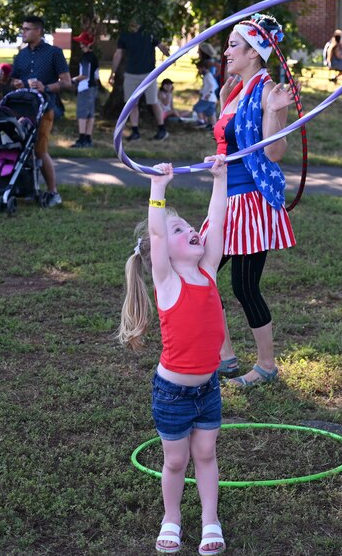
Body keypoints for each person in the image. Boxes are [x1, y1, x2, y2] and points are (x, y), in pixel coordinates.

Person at [117, 155, 229, 555]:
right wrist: (158, 188)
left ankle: (210, 521)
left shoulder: (209, 271)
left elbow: (217, 219)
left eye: (191, 227)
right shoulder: (168, 281)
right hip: (172, 394)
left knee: (206, 454)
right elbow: (158, 235)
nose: (193, 231)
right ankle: (173, 518)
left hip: (208, 388)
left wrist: (221, 178)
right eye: (182, 230)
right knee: (177, 462)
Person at [204, 13, 296, 387]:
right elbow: (227, 140)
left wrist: (275, 113)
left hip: (250, 202)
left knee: (244, 286)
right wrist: (223, 102)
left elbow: (275, 152)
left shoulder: (268, 90)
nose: (226, 51)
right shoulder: (235, 89)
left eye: (233, 45)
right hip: (224, 198)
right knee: (202, 272)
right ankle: (224, 357)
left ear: (255, 52)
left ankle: (266, 366)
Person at [10, 15, 71, 207]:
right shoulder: (21, 55)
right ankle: (24, 188)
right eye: (23, 28)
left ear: (38, 31)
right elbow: (14, 80)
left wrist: (44, 87)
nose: (23, 32)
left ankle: (53, 192)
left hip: (44, 108)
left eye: (27, 29)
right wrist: (17, 83)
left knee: (40, 149)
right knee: (20, 149)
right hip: (22, 110)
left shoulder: (54, 53)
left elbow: (66, 82)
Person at [109, 21, 170, 141]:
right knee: (132, 104)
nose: (134, 22)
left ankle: (162, 129)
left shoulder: (149, 33)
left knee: (153, 101)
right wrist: (113, 73)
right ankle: (135, 131)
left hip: (149, 74)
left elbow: (161, 46)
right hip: (131, 74)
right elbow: (118, 54)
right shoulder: (124, 35)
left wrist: (170, 55)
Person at [70, 31, 100, 147]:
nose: (80, 45)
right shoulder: (94, 57)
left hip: (85, 88)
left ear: (86, 44)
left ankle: (81, 139)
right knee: (90, 114)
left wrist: (73, 79)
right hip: (93, 87)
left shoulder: (85, 57)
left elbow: (84, 75)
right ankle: (88, 138)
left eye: (82, 43)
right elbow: (96, 75)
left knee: (82, 114)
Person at [192, 60, 219, 128]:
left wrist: (209, 94)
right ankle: (214, 126)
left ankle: (201, 121)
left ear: (203, 67)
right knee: (210, 112)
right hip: (211, 99)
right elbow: (209, 86)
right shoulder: (208, 75)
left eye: (199, 68)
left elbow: (213, 86)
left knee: (197, 108)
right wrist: (200, 91)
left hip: (208, 98)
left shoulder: (208, 76)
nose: (199, 70)